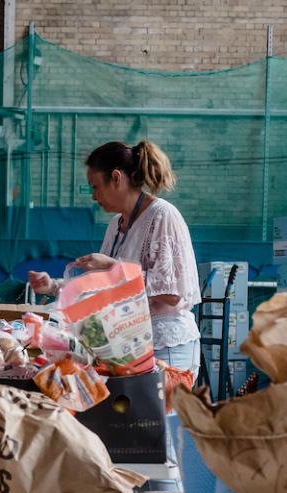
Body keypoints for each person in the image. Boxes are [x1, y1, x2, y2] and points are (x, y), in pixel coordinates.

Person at [28, 140, 200, 378]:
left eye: (96, 187)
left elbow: (172, 292)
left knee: (158, 414)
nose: (94, 196)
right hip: (128, 349)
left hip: (165, 347)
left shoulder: (162, 215)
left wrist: (113, 266)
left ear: (117, 178)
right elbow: (103, 286)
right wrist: (55, 286)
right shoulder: (115, 225)